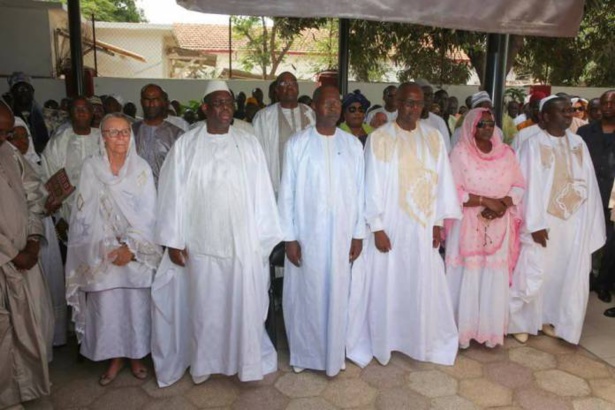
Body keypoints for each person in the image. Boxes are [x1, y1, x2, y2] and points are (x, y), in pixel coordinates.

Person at [153, 80, 282, 386]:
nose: (226, 109)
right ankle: (205, 362)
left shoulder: (248, 143)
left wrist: (262, 239)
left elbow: (263, 192)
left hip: (242, 243)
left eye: (229, 103)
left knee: (241, 305)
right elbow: (171, 193)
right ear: (205, 108)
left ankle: (244, 362)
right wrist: (173, 239)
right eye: (219, 103)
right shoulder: (187, 145)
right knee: (206, 307)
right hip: (201, 243)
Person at [346, 82, 461, 367]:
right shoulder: (381, 138)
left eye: (418, 103)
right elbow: (370, 184)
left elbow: (442, 181)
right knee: (389, 281)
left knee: (418, 282)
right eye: (408, 102)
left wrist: (437, 222)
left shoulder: (433, 137)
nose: (413, 109)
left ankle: (416, 339)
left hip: (422, 227)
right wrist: (377, 227)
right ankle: (386, 339)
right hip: (391, 226)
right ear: (396, 102)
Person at [65, 113, 161, 386]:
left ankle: (136, 356)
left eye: (125, 132)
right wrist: (109, 246)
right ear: (103, 136)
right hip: (102, 252)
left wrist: (130, 247)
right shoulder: (91, 167)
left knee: (135, 306)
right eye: (114, 132)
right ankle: (114, 358)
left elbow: (149, 214)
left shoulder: (141, 167)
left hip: (135, 251)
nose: (121, 138)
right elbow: (84, 214)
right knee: (108, 308)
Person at [278, 85, 365, 376]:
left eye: (337, 103)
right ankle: (305, 355)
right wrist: (289, 237)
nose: (333, 107)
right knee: (307, 294)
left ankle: (332, 356)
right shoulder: (297, 144)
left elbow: (360, 192)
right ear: (314, 106)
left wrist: (357, 233)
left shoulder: (352, 145)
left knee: (338, 293)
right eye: (326, 103)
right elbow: (287, 194)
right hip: (307, 235)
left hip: (342, 235)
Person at [508, 96, 605, 344]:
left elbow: (589, 183)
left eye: (570, 110)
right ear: (546, 116)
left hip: (573, 222)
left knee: (565, 273)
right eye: (562, 111)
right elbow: (524, 187)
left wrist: (590, 220)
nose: (568, 114)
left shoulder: (578, 143)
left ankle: (551, 319)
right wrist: (534, 224)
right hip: (543, 223)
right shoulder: (532, 145)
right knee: (535, 271)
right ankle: (522, 322)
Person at [445, 108, 525, 349]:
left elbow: (519, 185)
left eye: (490, 124)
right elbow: (453, 191)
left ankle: (490, 331)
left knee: (492, 275)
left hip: (499, 222)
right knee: (469, 273)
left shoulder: (506, 154)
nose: (487, 128)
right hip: (468, 223)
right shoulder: (460, 153)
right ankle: (464, 332)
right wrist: (484, 201)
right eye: (482, 124)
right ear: (471, 127)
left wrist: (503, 205)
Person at [0, 101, 54, 408]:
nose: (4, 139)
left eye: (7, 132)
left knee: (29, 329)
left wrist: (33, 239)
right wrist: (11, 253)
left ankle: (25, 391)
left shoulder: (10, 153)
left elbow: (34, 195)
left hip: (25, 257)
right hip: (6, 262)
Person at [8, 117, 66, 347]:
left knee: (48, 284)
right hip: (16, 237)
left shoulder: (36, 162)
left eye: (24, 136)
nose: (20, 141)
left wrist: (51, 207)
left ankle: (53, 338)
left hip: (44, 232)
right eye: (14, 136)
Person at [41, 96, 101, 241]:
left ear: (92, 112)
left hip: (100, 213)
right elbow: (48, 179)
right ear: (69, 113)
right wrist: (58, 218)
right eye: (76, 109)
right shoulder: (58, 142)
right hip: (69, 214)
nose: (81, 113)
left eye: (85, 109)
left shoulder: (102, 139)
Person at [578, 90, 615, 306]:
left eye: (612, 103)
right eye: (605, 103)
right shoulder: (584, 132)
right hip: (587, 194)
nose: (608, 106)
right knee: (586, 239)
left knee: (610, 242)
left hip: (612, 196)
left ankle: (604, 283)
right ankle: (585, 278)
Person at [253, 72, 315, 193]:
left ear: (298, 88)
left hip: (307, 183)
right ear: (277, 89)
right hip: (278, 185)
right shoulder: (264, 117)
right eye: (284, 83)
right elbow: (258, 154)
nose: (289, 86)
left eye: (293, 83)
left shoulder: (309, 113)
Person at [132, 84, 184, 185]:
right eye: (147, 99)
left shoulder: (177, 135)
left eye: (155, 99)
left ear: (163, 102)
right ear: (141, 102)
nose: (151, 104)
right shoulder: (130, 132)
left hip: (165, 194)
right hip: (135, 194)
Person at [7, 72, 49, 154]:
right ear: (12, 93)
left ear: (32, 91)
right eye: (19, 89)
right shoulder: (7, 118)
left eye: (26, 89)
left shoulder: (48, 116)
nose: (23, 92)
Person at [416, 80, 452, 152]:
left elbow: (446, 149)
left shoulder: (439, 121)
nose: (428, 98)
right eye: (425, 94)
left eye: (431, 95)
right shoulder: (407, 121)